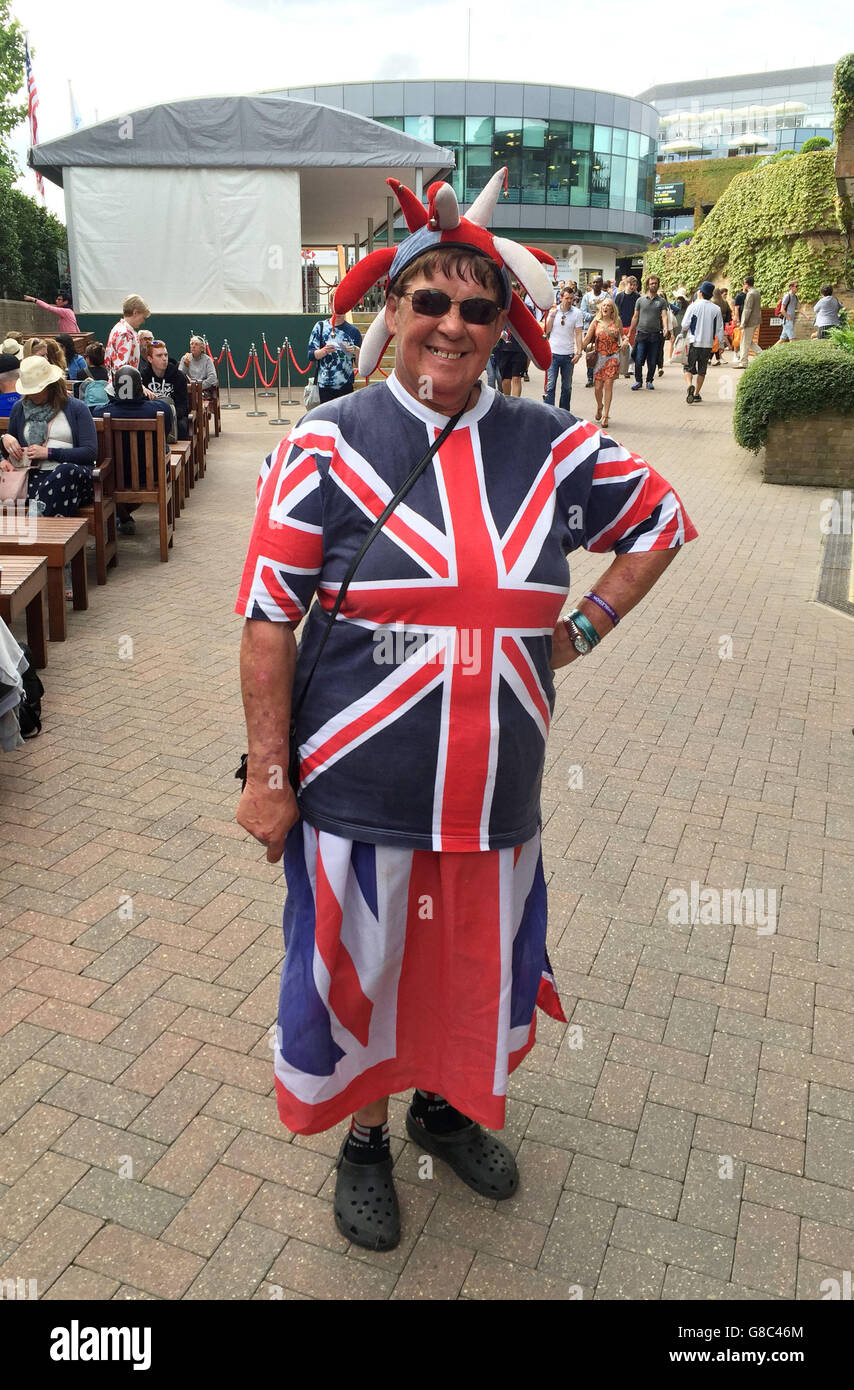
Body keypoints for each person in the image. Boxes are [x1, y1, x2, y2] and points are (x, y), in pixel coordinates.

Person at [234, 168, 697, 1254]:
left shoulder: (550, 443)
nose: (450, 324)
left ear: (505, 322)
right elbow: (266, 619)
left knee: (468, 965)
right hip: (357, 785)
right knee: (365, 968)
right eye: (428, 300)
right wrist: (266, 777)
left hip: (494, 790)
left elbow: (662, 519)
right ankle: (365, 1138)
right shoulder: (326, 443)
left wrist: (580, 632)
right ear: (391, 307)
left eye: (475, 305)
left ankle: (446, 1108)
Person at [0, 354, 95, 516]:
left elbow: (90, 452)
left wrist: (49, 453)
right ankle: (38, 523)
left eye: (37, 389)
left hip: (74, 477)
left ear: (51, 385)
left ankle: (36, 524)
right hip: (32, 476)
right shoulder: (19, 409)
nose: (32, 395)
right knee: (45, 490)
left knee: (65, 471)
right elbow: (10, 452)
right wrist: (4, 440)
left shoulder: (76, 408)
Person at [92, 366, 174, 534]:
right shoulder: (160, 409)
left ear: (115, 389)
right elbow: (165, 434)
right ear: (140, 388)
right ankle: (124, 516)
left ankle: (122, 516)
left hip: (113, 478)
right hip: (151, 476)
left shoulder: (100, 413)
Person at [582, 295, 624, 429]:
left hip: (613, 356)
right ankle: (600, 406)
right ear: (601, 308)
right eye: (604, 305)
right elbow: (588, 338)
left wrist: (625, 342)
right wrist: (578, 350)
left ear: (612, 309)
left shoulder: (617, 321)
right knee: (598, 387)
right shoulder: (596, 322)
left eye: (608, 306)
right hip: (599, 357)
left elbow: (622, 337)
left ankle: (606, 415)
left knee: (608, 385)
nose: (606, 307)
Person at [682, 281, 723, 405]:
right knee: (702, 370)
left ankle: (689, 385)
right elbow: (719, 329)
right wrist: (721, 345)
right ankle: (696, 394)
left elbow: (684, 325)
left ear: (700, 293)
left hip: (693, 342)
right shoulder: (716, 309)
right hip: (707, 344)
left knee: (688, 367)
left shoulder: (692, 306)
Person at [140, 339, 189, 438]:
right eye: (159, 355)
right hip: (151, 415)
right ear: (150, 359)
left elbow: (183, 406)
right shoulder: (143, 376)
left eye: (165, 355)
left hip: (174, 416)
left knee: (182, 426)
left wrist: (169, 414)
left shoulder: (178, 376)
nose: (164, 358)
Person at [543, 286, 583, 409]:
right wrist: (552, 316)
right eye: (566, 298)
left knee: (567, 387)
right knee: (550, 385)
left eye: (571, 298)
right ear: (561, 298)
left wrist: (579, 352)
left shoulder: (577, 313)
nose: (569, 301)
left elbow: (578, 333)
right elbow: (547, 331)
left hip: (568, 354)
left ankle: (564, 413)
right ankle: (548, 412)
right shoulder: (554, 311)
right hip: (553, 353)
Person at [307, 314, 362, 402]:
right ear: (330, 305)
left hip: (346, 385)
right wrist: (324, 350)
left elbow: (359, 365)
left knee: (345, 415)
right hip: (325, 386)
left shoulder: (354, 331)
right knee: (325, 415)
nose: (339, 313)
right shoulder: (320, 327)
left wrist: (357, 352)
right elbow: (311, 355)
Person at [629, 275, 670, 390]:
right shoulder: (640, 300)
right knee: (638, 359)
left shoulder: (661, 301)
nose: (654, 285)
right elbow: (635, 316)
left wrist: (666, 328)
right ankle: (638, 381)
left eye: (656, 283)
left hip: (655, 335)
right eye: (651, 283)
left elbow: (664, 316)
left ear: (658, 285)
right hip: (642, 334)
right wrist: (630, 331)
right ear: (648, 285)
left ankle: (649, 381)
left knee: (652, 360)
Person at [104, 295, 150, 375]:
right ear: (135, 313)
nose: (143, 321)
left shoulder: (117, 328)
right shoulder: (126, 334)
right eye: (143, 317)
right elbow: (122, 370)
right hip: (125, 384)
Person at [580, 276, 609, 387]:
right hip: (589, 328)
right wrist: (594, 316)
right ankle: (590, 377)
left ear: (602, 284)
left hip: (603, 329)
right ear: (592, 284)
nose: (596, 284)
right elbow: (582, 312)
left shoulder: (606, 296)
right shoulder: (587, 297)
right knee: (590, 353)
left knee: (602, 352)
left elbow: (610, 310)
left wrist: (600, 316)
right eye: (594, 282)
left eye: (598, 282)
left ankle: (601, 375)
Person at [492, 325, 529, 397]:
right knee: (506, 380)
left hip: (519, 348)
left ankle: (515, 405)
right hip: (503, 349)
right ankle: (508, 403)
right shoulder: (501, 313)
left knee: (516, 378)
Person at [614, 275, 640, 378]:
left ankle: (630, 368)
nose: (632, 287)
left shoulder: (637, 297)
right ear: (626, 284)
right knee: (620, 346)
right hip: (621, 324)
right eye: (631, 284)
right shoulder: (619, 296)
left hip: (632, 325)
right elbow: (616, 311)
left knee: (632, 346)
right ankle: (620, 367)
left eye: (634, 285)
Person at [735, 277, 762, 368]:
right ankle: (762, 354)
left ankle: (743, 362)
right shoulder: (757, 292)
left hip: (749, 322)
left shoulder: (750, 294)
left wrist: (743, 323)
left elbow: (747, 309)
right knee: (748, 341)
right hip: (755, 320)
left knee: (744, 342)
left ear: (746, 284)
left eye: (744, 283)